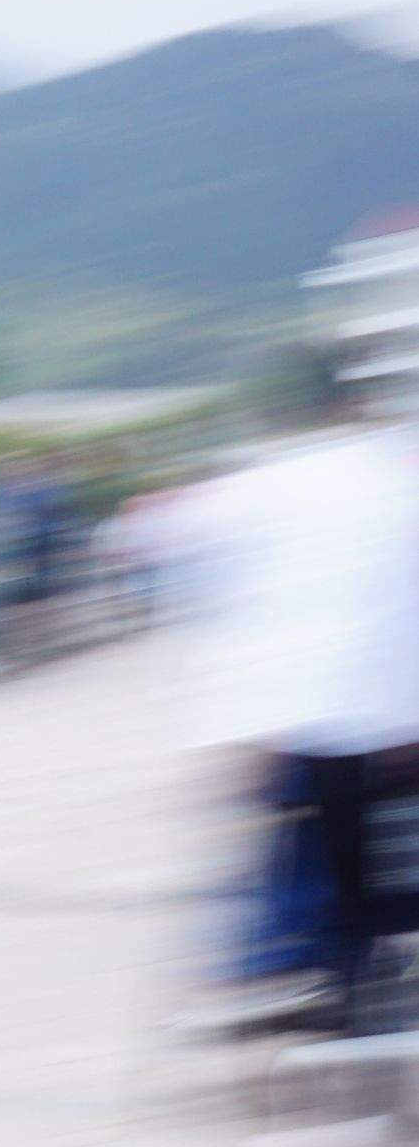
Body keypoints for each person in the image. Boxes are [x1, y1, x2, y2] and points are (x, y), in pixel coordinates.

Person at [154, 351, 419, 1028]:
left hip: (293, 713)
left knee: (308, 824)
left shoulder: (256, 485)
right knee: (363, 835)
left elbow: (188, 575)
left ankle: (288, 959)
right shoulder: (396, 475)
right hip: (379, 714)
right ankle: (333, 956)